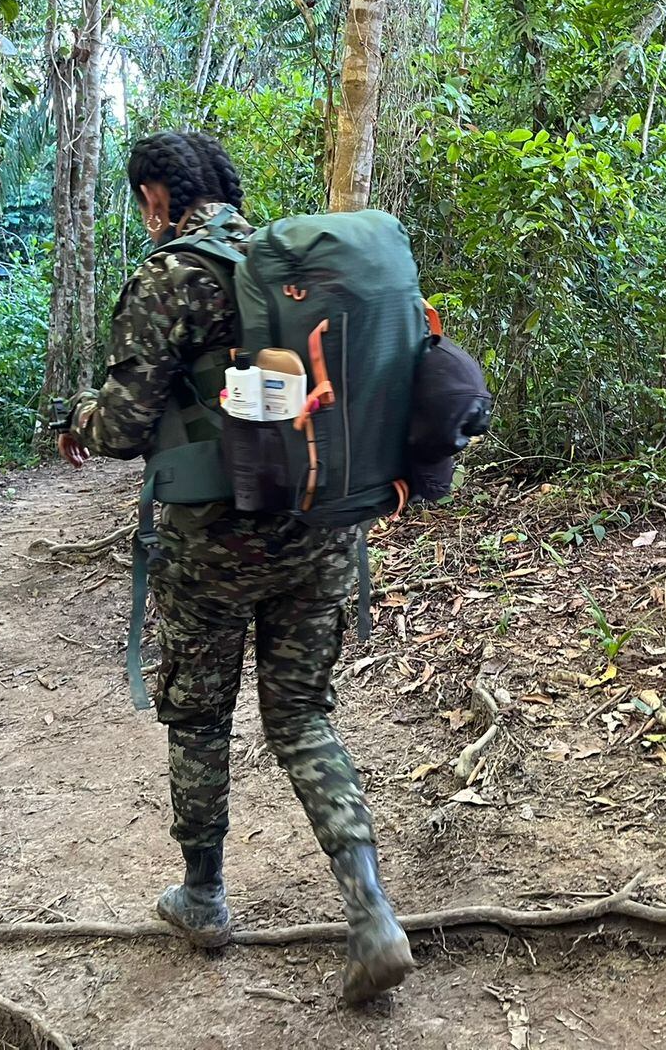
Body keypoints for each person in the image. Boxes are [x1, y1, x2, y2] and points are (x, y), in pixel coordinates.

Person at [57, 131, 414, 1005]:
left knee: (200, 718)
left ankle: (206, 897)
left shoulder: (171, 275)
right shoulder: (286, 265)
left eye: (142, 202)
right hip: (319, 529)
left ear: (155, 197)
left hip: (212, 548)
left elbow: (125, 426)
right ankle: (371, 913)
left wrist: (78, 416)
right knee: (300, 717)